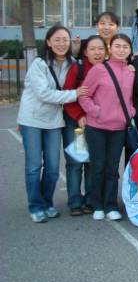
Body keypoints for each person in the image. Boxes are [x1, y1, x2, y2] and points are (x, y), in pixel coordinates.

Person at [17, 25, 87, 223]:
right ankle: (35, 205)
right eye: (57, 39)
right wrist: (74, 94)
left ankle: (47, 202)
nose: (61, 43)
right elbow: (44, 94)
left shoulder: (73, 63)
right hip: (32, 120)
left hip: (55, 121)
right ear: (48, 42)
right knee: (33, 166)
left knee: (53, 167)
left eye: (65, 39)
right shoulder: (39, 64)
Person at [79, 33, 135, 221]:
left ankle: (111, 204)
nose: (121, 50)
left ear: (130, 50)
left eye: (125, 47)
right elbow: (84, 95)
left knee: (112, 168)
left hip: (119, 128)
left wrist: (130, 111)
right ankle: (97, 204)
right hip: (97, 126)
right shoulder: (99, 69)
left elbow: (129, 98)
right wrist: (96, 111)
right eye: (117, 46)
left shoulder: (131, 72)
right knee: (98, 167)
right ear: (110, 48)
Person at [62, 35, 106, 216]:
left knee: (92, 163)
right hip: (76, 122)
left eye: (101, 49)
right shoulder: (78, 68)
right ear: (85, 52)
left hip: (98, 123)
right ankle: (74, 201)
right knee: (75, 163)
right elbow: (67, 96)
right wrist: (79, 115)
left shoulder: (107, 68)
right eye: (92, 49)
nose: (97, 53)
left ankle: (90, 200)